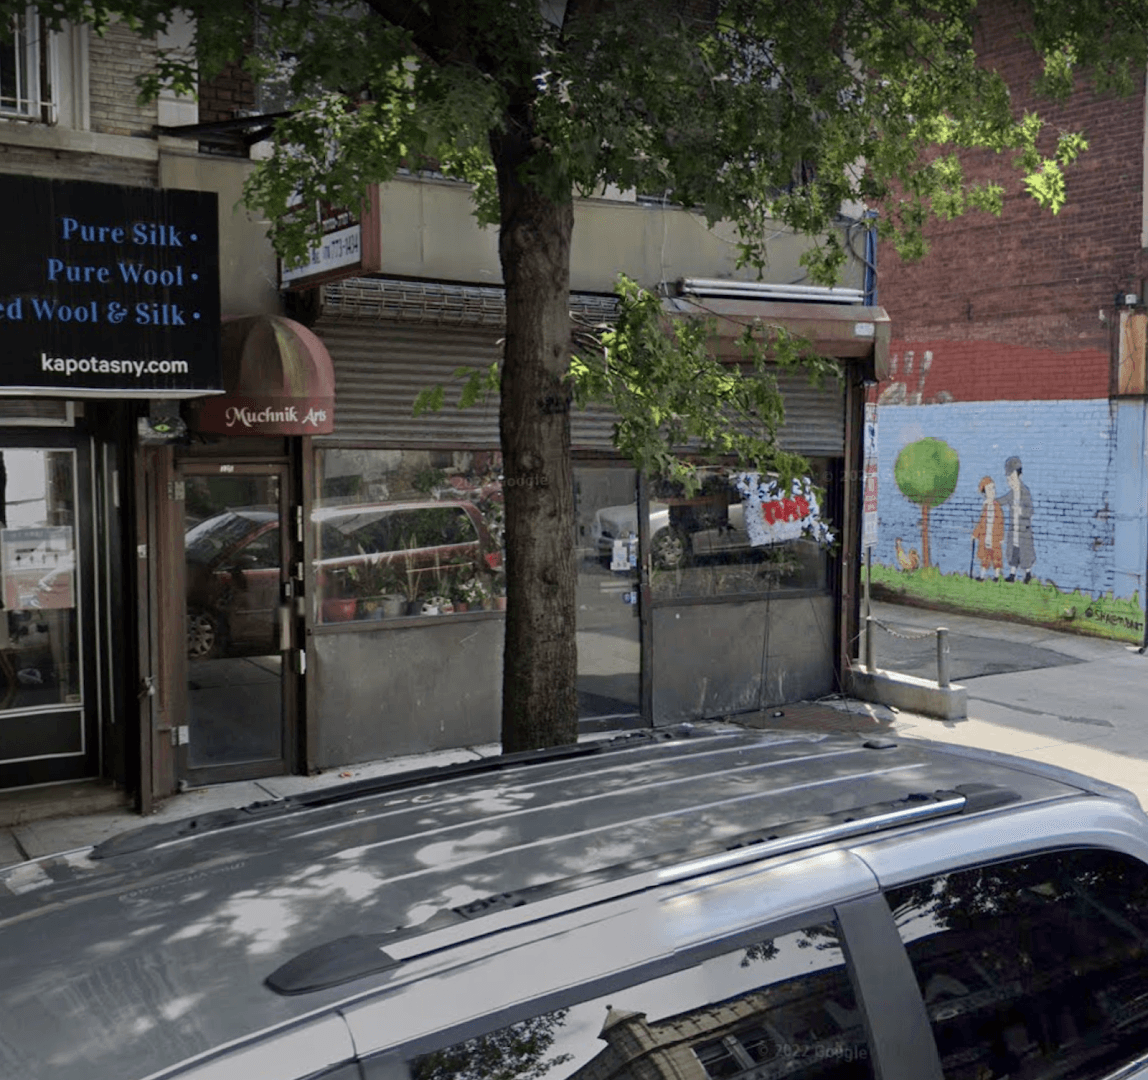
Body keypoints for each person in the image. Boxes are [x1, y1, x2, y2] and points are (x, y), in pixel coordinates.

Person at [996, 456, 1035, 583]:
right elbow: (1003, 500)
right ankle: (1012, 574)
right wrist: (993, 502)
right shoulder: (1011, 494)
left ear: (1019, 476)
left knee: (1025, 554)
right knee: (1014, 552)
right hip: (1014, 530)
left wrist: (1021, 511)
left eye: (1012, 478)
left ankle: (1027, 574)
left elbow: (1030, 510)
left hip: (1023, 530)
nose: (1010, 482)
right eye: (1008, 479)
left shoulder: (1025, 493)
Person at [971, 476, 1003, 580]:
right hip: (986, 537)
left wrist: (1001, 536)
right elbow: (981, 523)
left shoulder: (996, 506)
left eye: (993, 488)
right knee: (985, 557)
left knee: (996, 557)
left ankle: (996, 576)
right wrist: (975, 534)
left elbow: (1000, 522)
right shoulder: (985, 507)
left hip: (995, 537)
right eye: (989, 489)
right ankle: (982, 576)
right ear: (985, 492)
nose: (993, 491)